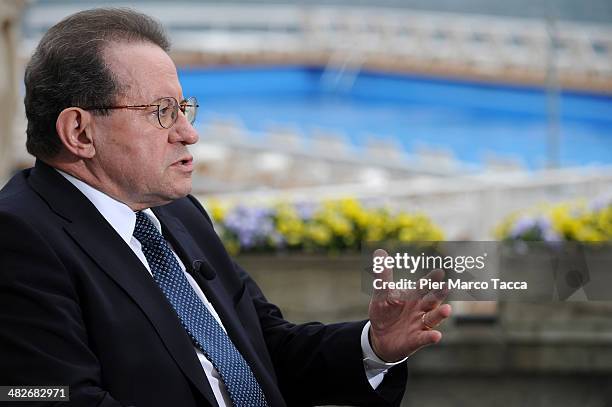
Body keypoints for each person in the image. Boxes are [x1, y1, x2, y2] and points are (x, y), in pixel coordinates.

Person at [0, 8, 451, 407]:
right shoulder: (19, 237)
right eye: (161, 111)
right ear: (79, 132)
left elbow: (265, 349)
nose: (187, 133)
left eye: (183, 109)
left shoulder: (179, 214)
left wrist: (373, 347)